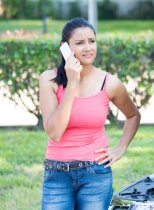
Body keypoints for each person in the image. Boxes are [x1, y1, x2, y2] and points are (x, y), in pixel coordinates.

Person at [39, 17, 141, 210]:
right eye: (79, 43)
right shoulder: (49, 79)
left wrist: (120, 148)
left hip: (95, 174)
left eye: (92, 41)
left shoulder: (109, 83)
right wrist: (72, 84)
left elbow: (133, 115)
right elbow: (54, 132)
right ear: (65, 48)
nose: (88, 48)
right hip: (57, 174)